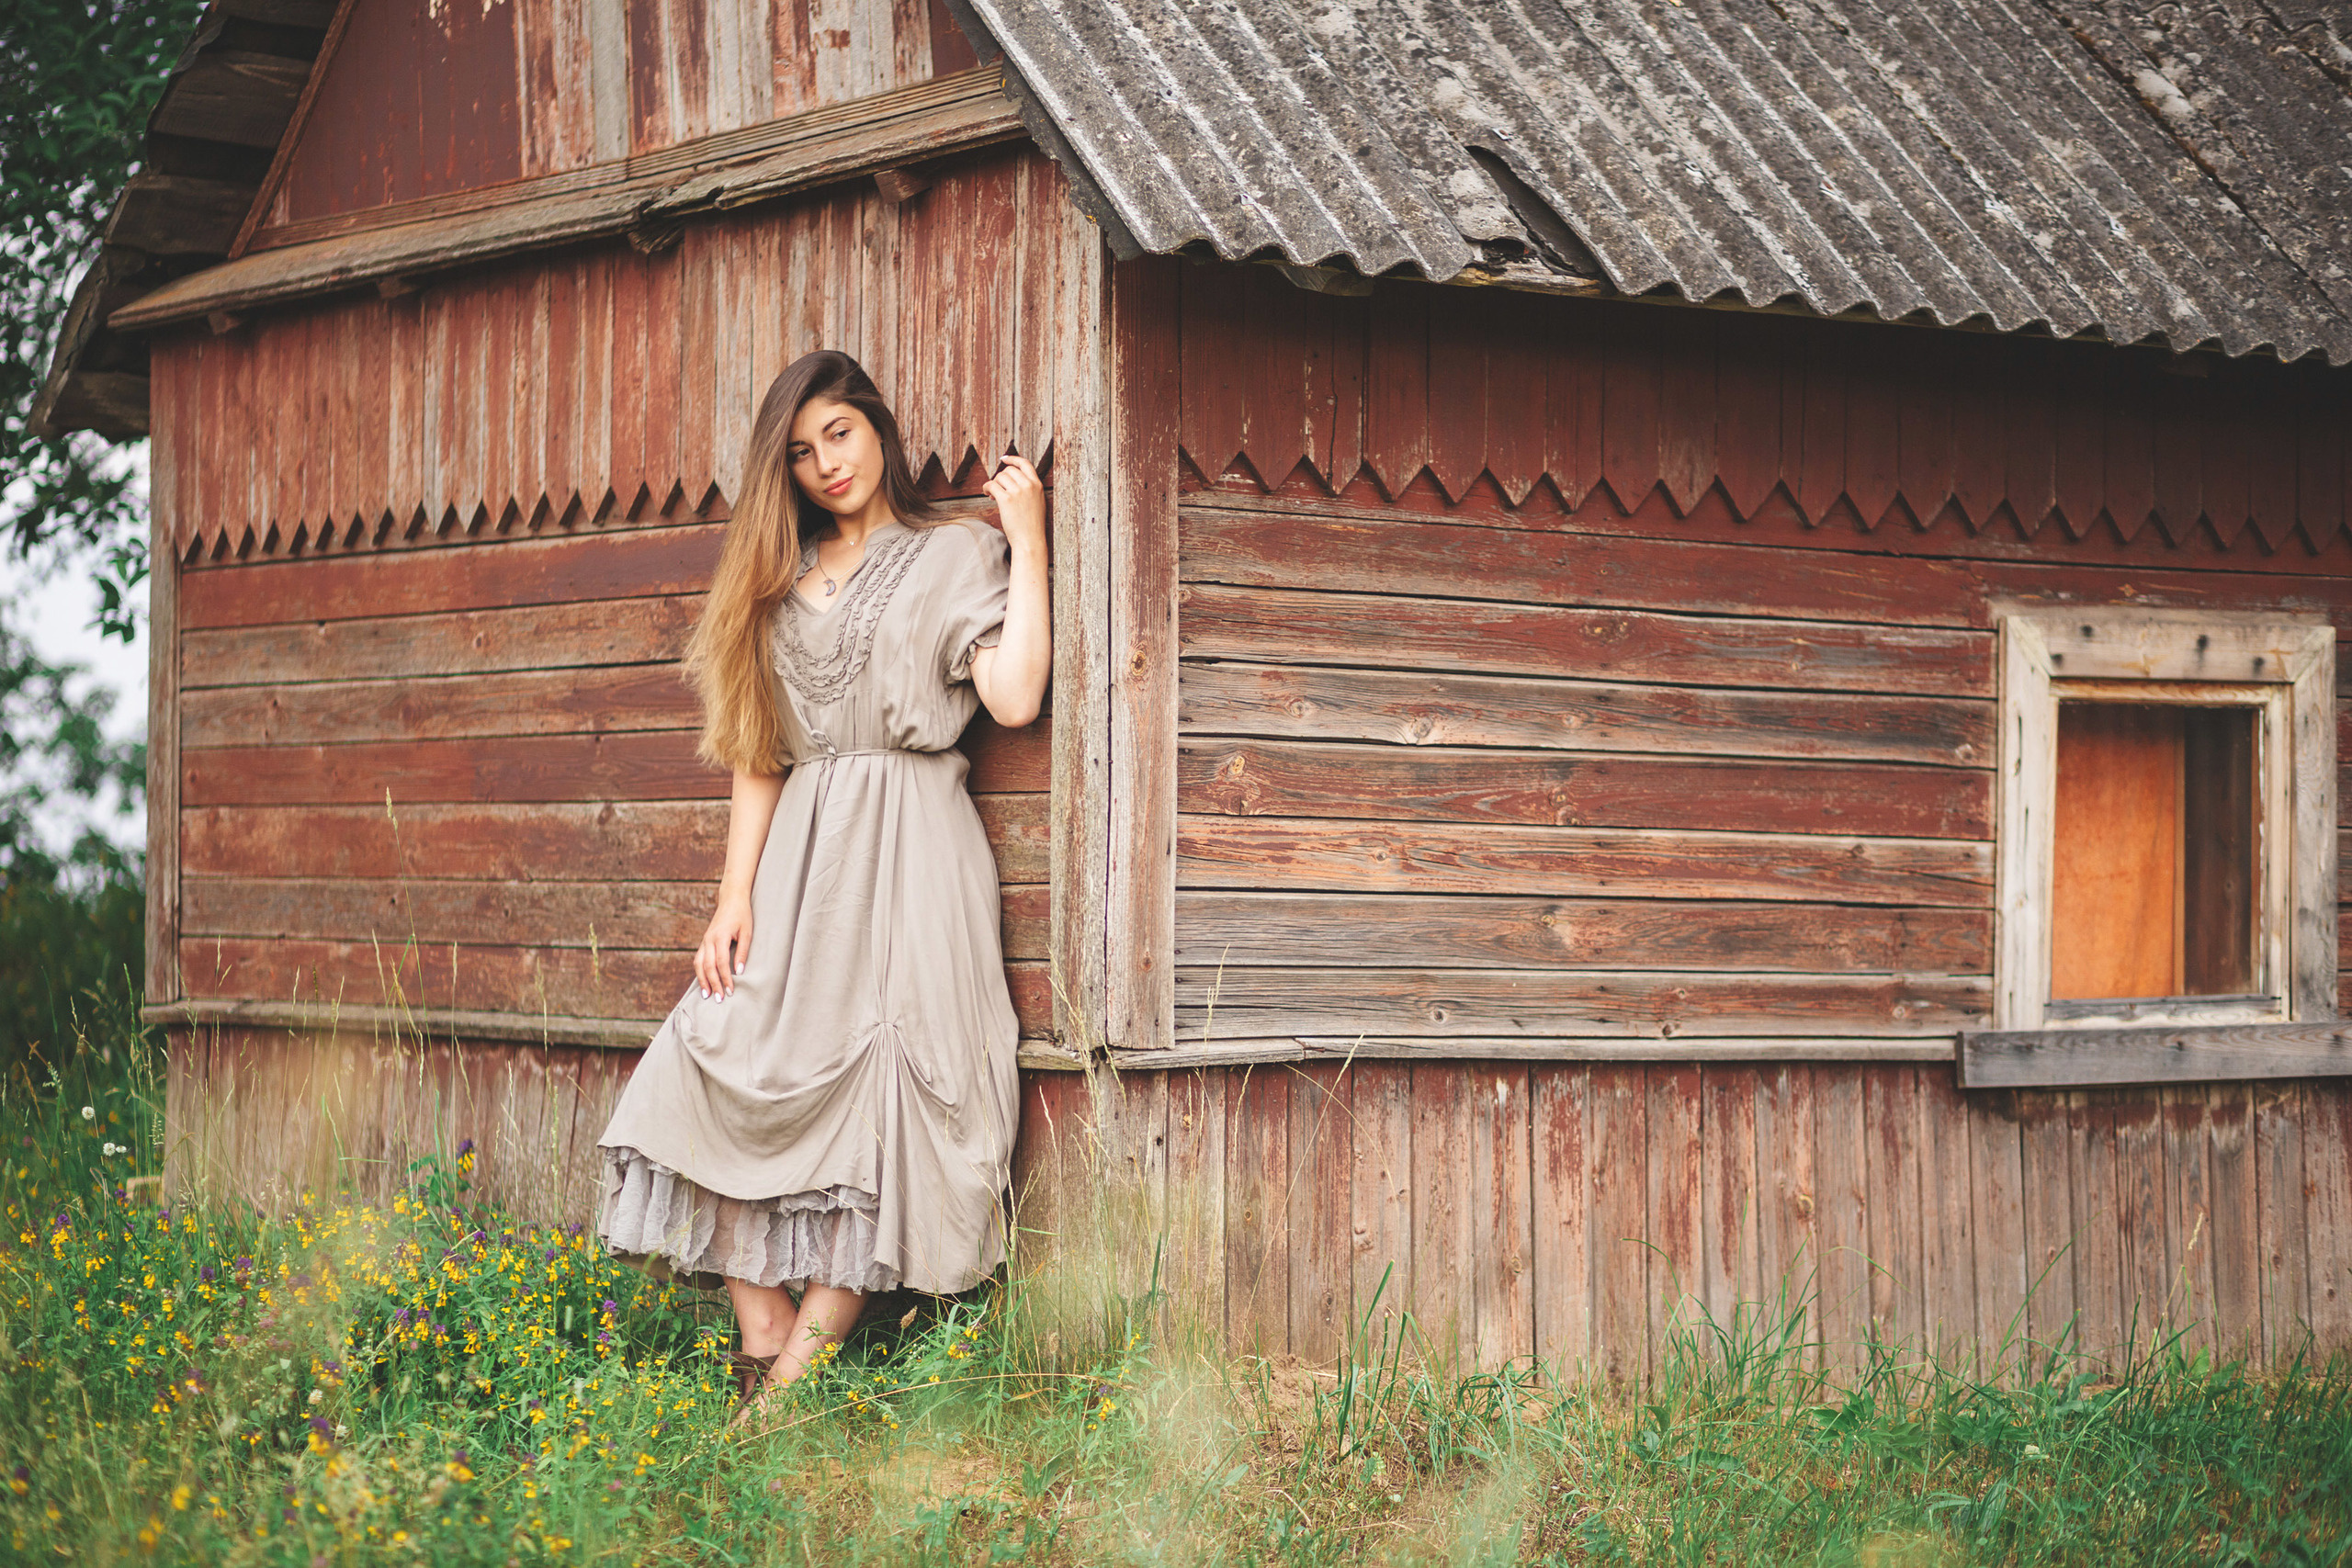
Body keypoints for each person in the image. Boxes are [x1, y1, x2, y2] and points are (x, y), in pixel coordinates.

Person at [594, 349, 1049, 1423]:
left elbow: (1015, 697)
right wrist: (732, 897)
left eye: (839, 433)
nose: (826, 463)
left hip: (915, 851)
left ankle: (792, 1383)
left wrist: (1026, 540)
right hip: (801, 859)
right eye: (800, 453)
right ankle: (762, 1334)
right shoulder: (774, 585)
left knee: (887, 1094)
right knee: (702, 1058)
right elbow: (758, 754)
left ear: (877, 429)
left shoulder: (954, 553)